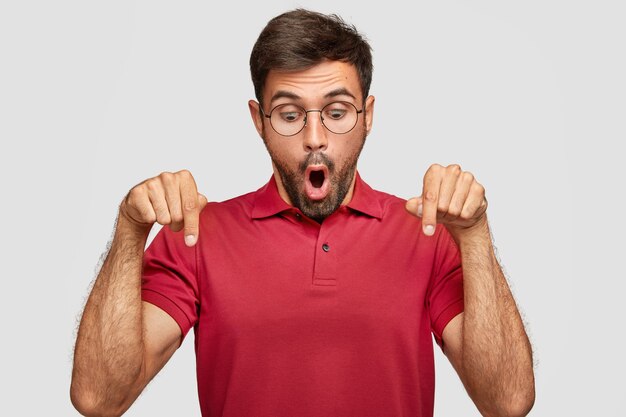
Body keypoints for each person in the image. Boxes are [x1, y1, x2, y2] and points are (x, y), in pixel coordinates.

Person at [70, 8, 535, 417]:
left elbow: (508, 403)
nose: (315, 137)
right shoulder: (195, 235)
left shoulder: (427, 233)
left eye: (336, 111)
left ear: (367, 115)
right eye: (290, 115)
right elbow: (98, 399)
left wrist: (473, 234)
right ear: (259, 121)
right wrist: (130, 230)